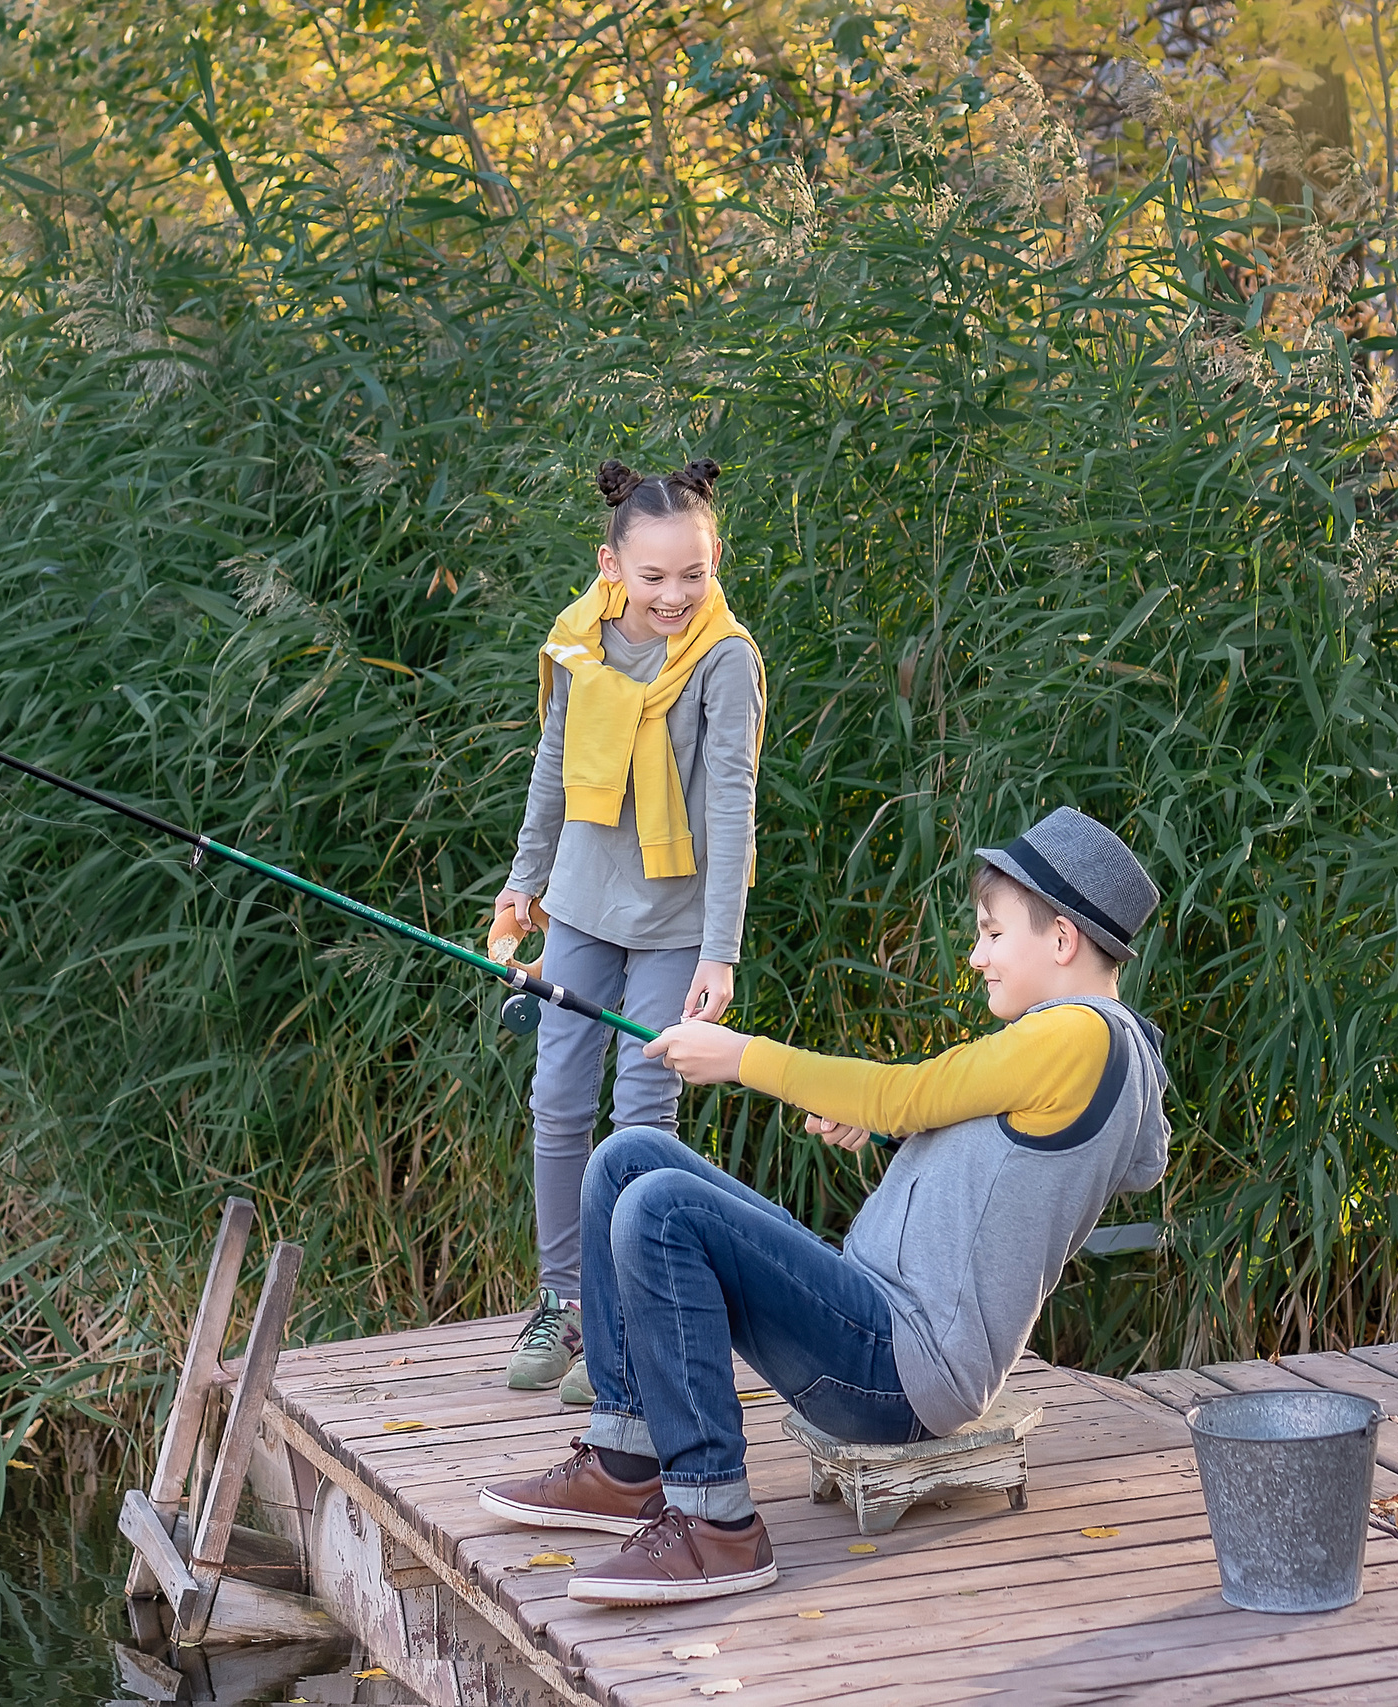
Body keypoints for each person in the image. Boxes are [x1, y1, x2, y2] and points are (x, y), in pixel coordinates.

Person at [477, 807, 1171, 1607]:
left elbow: (910, 1091)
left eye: (992, 933)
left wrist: (743, 1057)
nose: (977, 954)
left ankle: (714, 1524)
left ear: (1063, 940)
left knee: (660, 1208)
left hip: (904, 1369)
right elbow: (997, 1143)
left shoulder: (1080, 1036)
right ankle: (626, 1461)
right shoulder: (1090, 1048)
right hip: (872, 1320)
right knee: (626, 1159)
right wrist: (888, 1127)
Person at [491, 458, 766, 1402]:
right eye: (653, 576)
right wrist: (522, 884)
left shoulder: (725, 658)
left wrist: (721, 949)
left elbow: (731, 804)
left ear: (715, 559)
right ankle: (563, 1301)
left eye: (694, 572)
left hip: (677, 920)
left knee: (642, 1114)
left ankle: (620, 1318)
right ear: (612, 565)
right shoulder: (582, 640)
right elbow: (552, 768)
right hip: (582, 902)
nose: (675, 595)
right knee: (559, 1097)